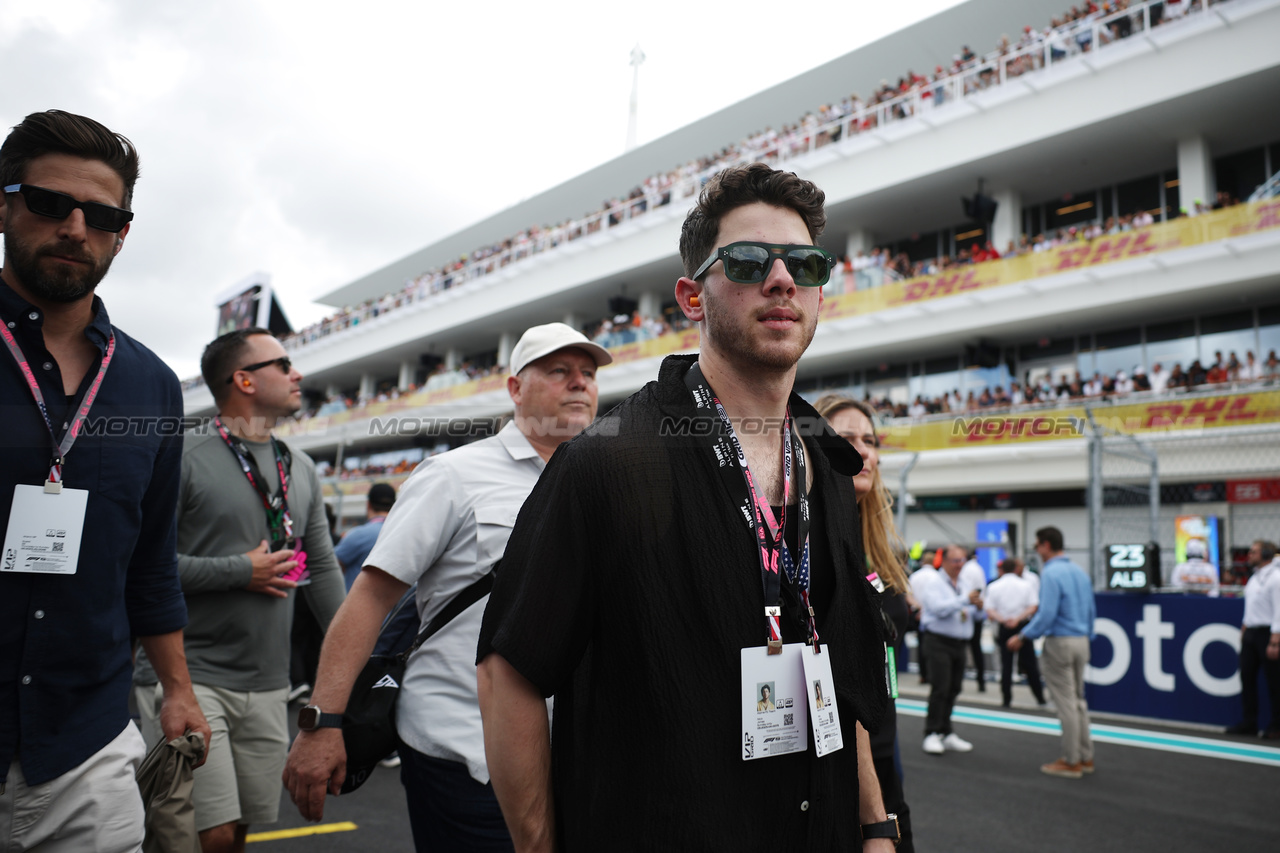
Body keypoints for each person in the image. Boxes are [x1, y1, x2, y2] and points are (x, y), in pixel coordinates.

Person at [475, 164, 896, 851]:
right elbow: (508, 672)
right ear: (692, 297)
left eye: (806, 263)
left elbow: (838, 680)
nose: (783, 279)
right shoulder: (608, 460)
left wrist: (877, 826)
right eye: (749, 260)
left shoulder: (829, 463)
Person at [282, 322, 610, 852]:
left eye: (588, 374)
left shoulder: (602, 484)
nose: (579, 384)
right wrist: (322, 724)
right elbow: (370, 599)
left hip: (571, 761)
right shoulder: (453, 475)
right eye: (558, 371)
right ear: (514, 388)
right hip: (464, 754)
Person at [0, 109, 209, 851]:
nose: (74, 227)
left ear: (123, 231)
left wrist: (178, 689)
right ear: (5, 202)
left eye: (102, 214)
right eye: (50, 203)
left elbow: (150, 560)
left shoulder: (152, 383)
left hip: (86, 747)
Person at [133, 327, 346, 853]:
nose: (298, 375)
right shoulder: (182, 453)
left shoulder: (302, 466)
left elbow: (319, 566)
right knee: (206, 835)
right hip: (189, 677)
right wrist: (238, 570)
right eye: (284, 364)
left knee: (239, 834)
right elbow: (140, 564)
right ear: (244, 380)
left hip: (270, 685)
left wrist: (355, 653)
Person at [816, 393, 917, 853]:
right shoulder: (805, 541)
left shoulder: (883, 547)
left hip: (885, 750)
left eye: (870, 440)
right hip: (833, 768)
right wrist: (873, 821)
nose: (863, 451)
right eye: (845, 439)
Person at [1007, 526, 1096, 778]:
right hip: (1081, 640)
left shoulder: (1051, 573)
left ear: (1046, 545)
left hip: (1060, 642)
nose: (1037, 551)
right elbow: (1091, 609)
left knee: (1066, 704)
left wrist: (1023, 636)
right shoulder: (1079, 571)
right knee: (1079, 701)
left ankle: (1071, 760)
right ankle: (1085, 756)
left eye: (1037, 546)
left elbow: (1046, 614)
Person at [918, 545, 981, 755]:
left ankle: (946, 731)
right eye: (955, 561)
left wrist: (979, 607)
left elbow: (971, 613)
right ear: (943, 561)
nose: (959, 565)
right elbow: (938, 609)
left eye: (962, 560)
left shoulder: (965, 582)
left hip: (959, 642)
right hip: (938, 641)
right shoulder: (934, 582)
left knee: (954, 688)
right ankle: (932, 732)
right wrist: (965, 600)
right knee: (940, 688)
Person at [1226, 540, 1280, 738]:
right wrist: (1244, 630)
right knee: (1246, 678)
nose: (1249, 555)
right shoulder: (1254, 578)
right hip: (1251, 634)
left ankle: (1276, 725)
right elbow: (1250, 608)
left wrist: (1275, 640)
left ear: (1266, 554)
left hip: (1269, 633)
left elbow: (1279, 610)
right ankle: (1249, 722)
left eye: (1254, 552)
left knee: (1274, 682)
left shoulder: (1276, 578)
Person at [984, 557, 1046, 708]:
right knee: (1030, 664)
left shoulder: (994, 586)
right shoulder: (1026, 585)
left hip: (1004, 626)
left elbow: (989, 609)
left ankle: (1006, 699)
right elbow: (1033, 606)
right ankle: (1040, 698)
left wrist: (1004, 619)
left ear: (1002, 569)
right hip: (1022, 626)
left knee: (1006, 664)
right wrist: (1017, 619)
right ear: (1016, 569)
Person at [334, 481, 397, 590]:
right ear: (394, 505)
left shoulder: (357, 535)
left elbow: (332, 565)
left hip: (358, 603)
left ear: (368, 504)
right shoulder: (402, 534)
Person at [959, 551, 989, 692]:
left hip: (966, 613)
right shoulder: (979, 569)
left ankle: (958, 681)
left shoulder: (966, 570)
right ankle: (981, 682)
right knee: (977, 649)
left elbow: (966, 593)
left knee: (962, 649)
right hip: (976, 612)